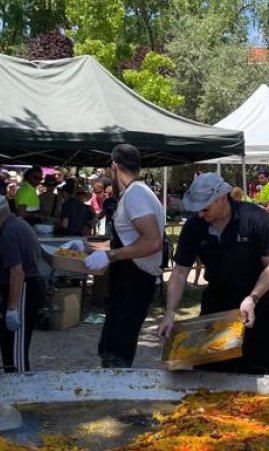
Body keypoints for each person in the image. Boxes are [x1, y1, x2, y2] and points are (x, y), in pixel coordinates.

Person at [159, 173, 269, 375]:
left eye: (205, 208)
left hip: (258, 304)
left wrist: (252, 298)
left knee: (263, 375)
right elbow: (179, 272)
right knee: (212, 374)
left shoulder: (256, 218)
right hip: (217, 304)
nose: (200, 214)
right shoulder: (194, 226)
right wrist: (169, 313)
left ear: (222, 198)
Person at [84, 144, 165, 368]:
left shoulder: (135, 195)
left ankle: (114, 398)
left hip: (134, 281)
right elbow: (130, 240)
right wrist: (88, 247)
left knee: (116, 352)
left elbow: (152, 242)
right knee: (111, 344)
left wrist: (110, 256)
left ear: (114, 166)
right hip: (128, 280)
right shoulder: (137, 192)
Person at [0, 193, 45, 372]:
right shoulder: (19, 225)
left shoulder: (10, 232)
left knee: (16, 346)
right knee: (6, 337)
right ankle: (12, 380)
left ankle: (20, 385)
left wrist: (13, 308)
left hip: (23, 288)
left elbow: (17, 272)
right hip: (23, 287)